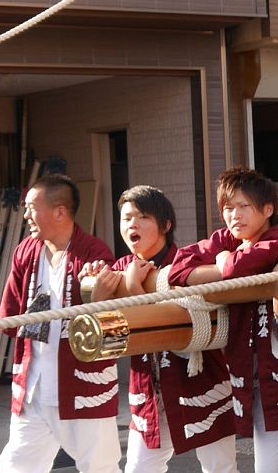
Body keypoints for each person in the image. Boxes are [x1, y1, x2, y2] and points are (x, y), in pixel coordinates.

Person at [168, 168, 278, 473]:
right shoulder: (228, 241)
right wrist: (223, 264)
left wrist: (227, 263)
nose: (234, 215)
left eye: (244, 206)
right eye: (228, 208)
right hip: (263, 386)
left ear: (268, 210)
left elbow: (241, 267)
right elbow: (179, 269)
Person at [83, 186, 237, 473]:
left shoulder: (188, 264)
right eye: (126, 218)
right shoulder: (117, 271)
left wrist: (134, 288)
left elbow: (182, 323)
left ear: (166, 225)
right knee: (139, 469)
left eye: (142, 217)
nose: (132, 224)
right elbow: (113, 341)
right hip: (150, 395)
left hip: (200, 384)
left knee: (219, 468)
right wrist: (98, 300)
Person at [0, 175, 121, 473]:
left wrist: (97, 295)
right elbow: (11, 319)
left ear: (60, 212)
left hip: (85, 386)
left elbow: (114, 331)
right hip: (33, 386)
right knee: (16, 467)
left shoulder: (95, 254)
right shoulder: (25, 251)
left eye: (31, 208)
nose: (26, 215)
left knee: (100, 467)